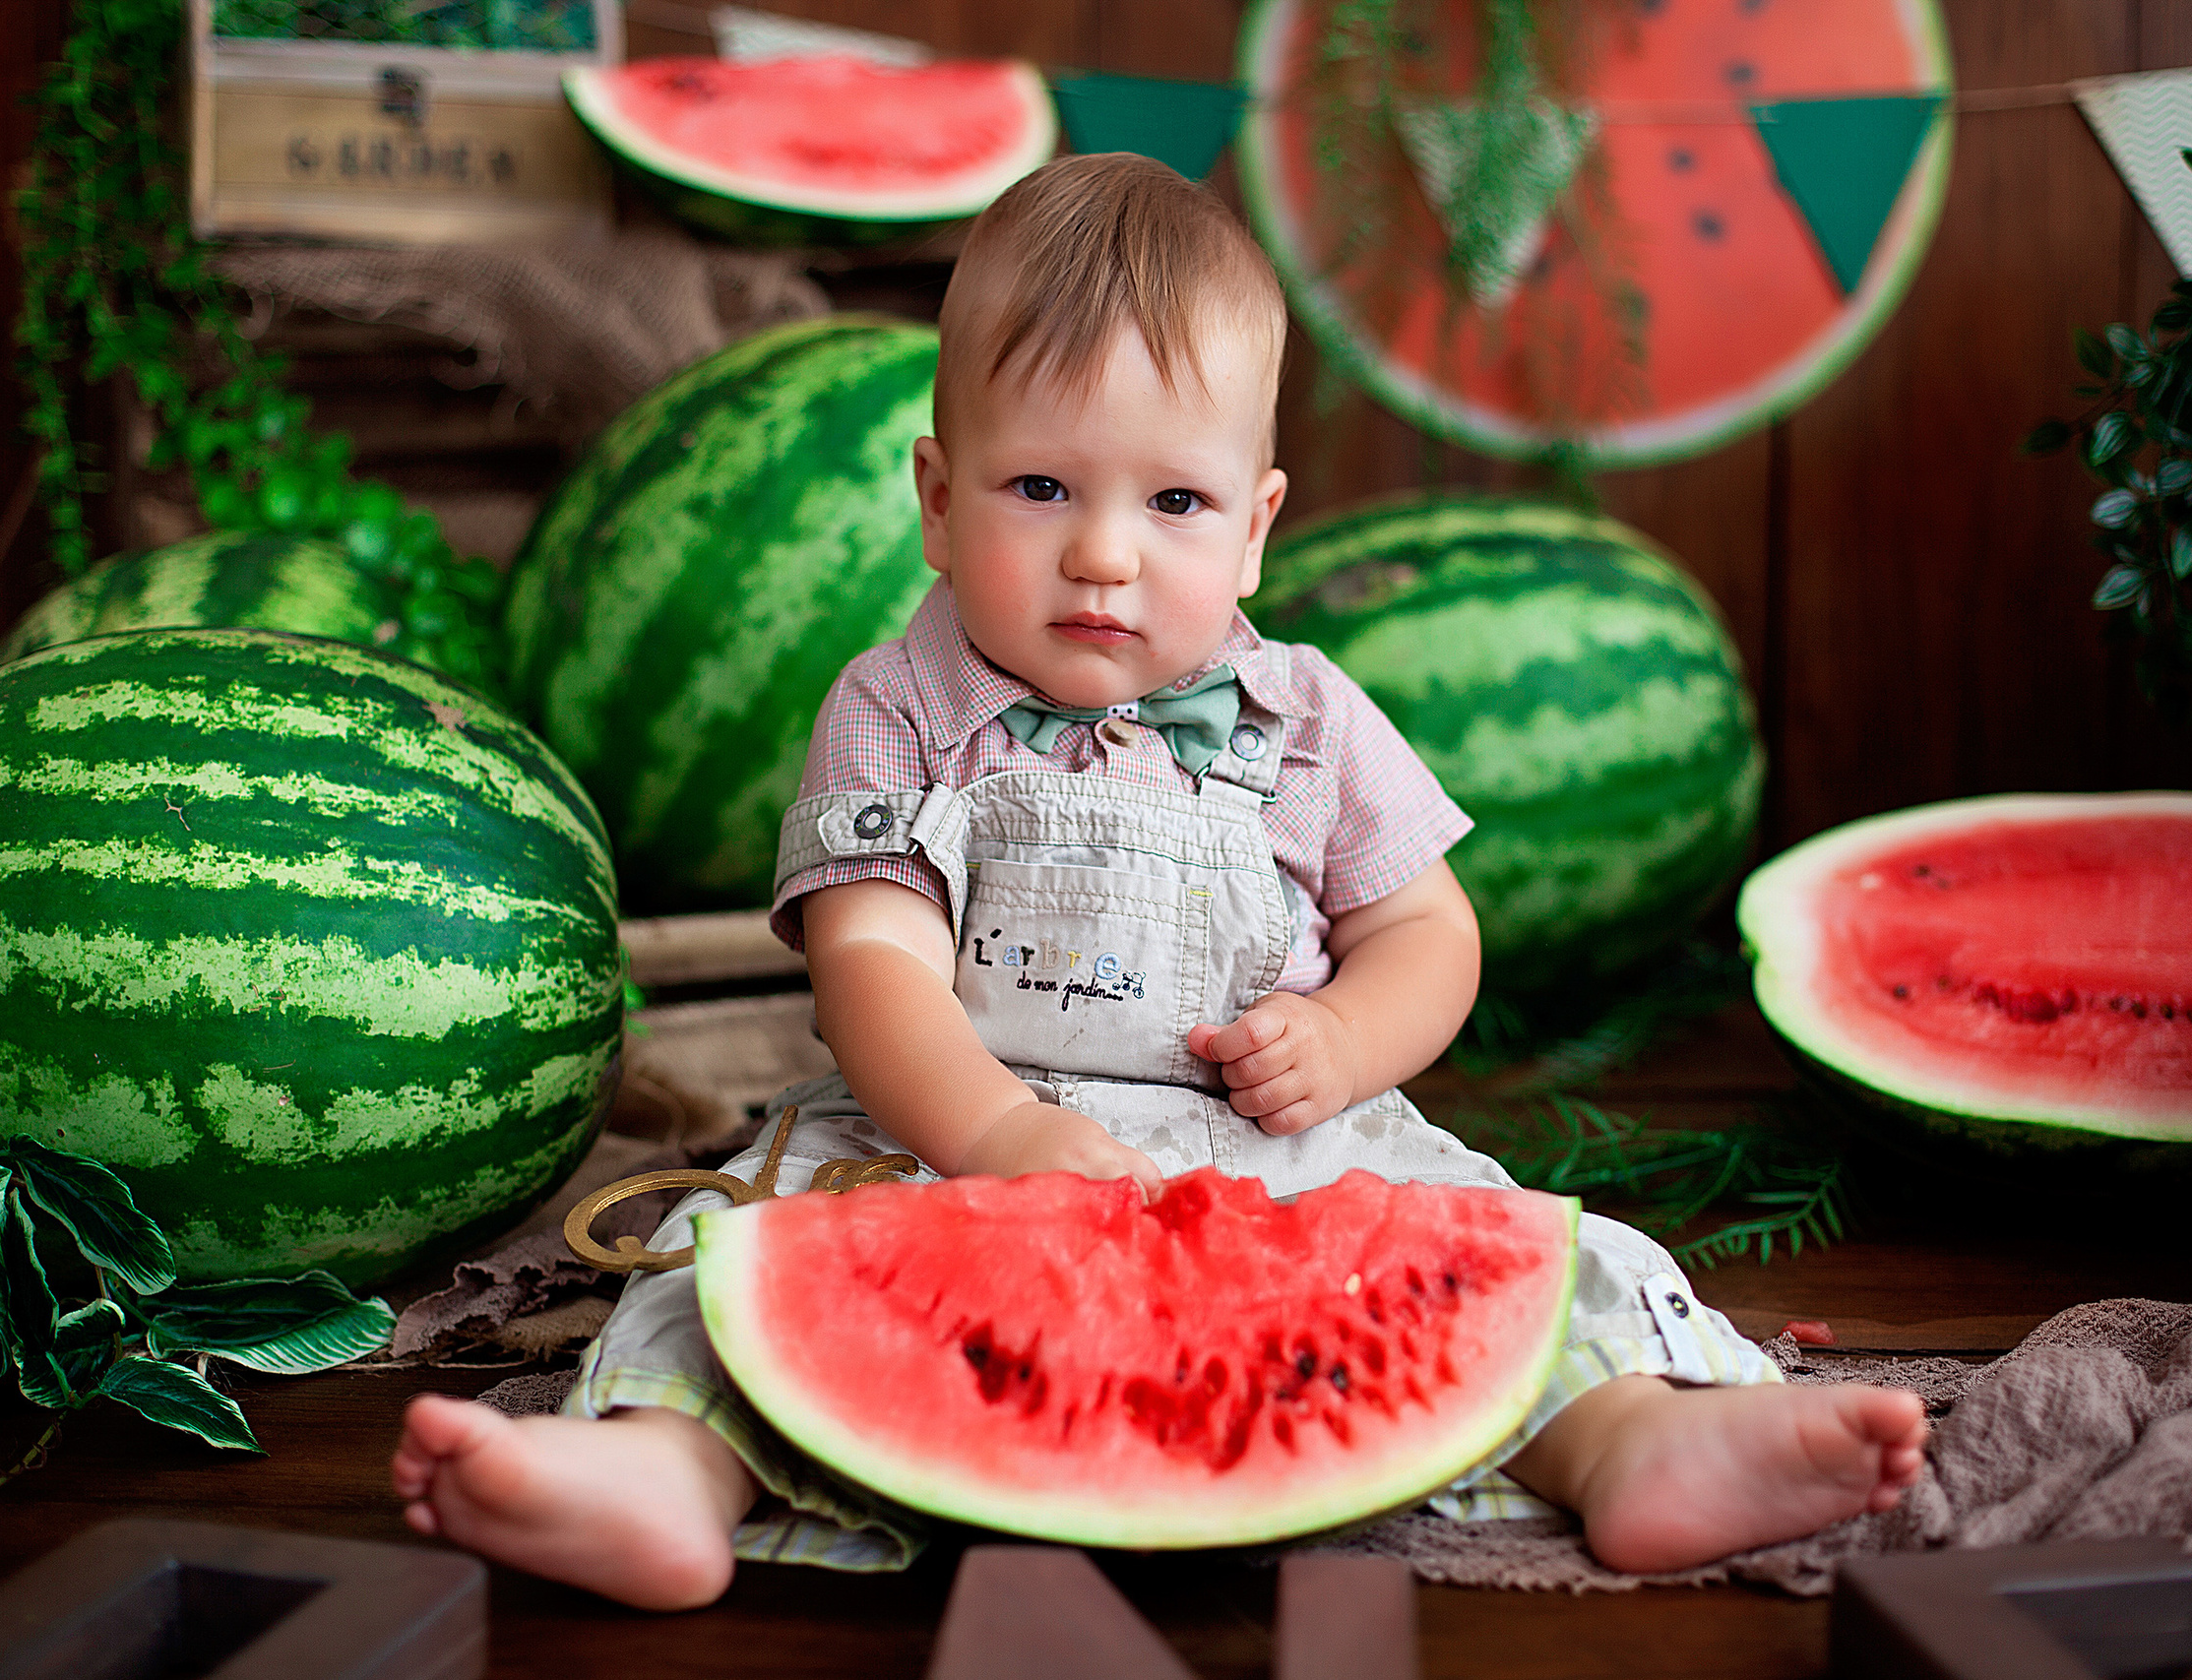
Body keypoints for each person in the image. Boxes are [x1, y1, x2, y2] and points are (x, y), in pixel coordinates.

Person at [391, 154, 1928, 1610]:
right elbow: (873, 969)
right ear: (937, 497)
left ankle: (1640, 1443)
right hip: (950, 1135)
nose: (1105, 558)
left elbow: (1425, 931)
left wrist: (1347, 1040)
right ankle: (661, 1472)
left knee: (1540, 1249)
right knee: (726, 1263)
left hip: (1277, 1145)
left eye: (1172, 504)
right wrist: (998, 1131)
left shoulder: (1314, 715)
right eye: (1042, 490)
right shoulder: (897, 705)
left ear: (1256, 528)